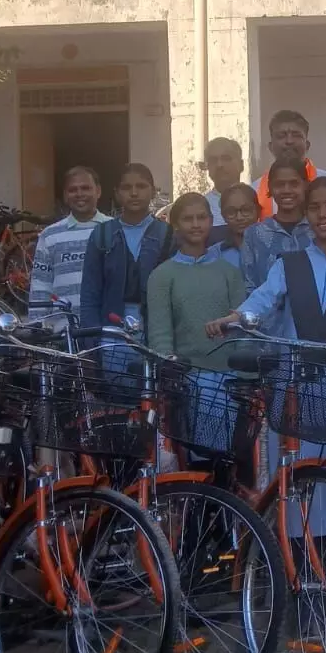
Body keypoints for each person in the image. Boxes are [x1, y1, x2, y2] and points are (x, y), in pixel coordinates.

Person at [205, 177, 326, 594]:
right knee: (297, 481)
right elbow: (261, 302)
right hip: (296, 391)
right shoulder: (288, 265)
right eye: (315, 207)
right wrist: (235, 318)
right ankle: (300, 578)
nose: (323, 214)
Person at [147, 192, 246, 452]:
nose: (195, 224)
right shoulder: (162, 276)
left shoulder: (229, 273)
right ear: (175, 224)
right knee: (195, 457)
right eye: (187, 218)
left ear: (211, 221)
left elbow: (241, 328)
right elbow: (160, 332)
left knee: (231, 457)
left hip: (229, 378)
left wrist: (246, 377)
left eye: (201, 217)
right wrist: (170, 374)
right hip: (188, 380)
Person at [79, 163, 174, 336]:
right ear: (117, 193)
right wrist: (91, 336)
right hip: (111, 333)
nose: (134, 193)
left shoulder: (167, 234)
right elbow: (90, 293)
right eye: (126, 187)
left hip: (157, 334)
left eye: (141, 186)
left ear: (153, 192)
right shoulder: (102, 234)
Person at [28, 166, 109, 328]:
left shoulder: (113, 230)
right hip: (64, 330)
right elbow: (41, 284)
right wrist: (36, 325)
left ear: (98, 191)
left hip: (105, 328)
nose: (79, 194)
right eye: (73, 190)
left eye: (86, 188)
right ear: (65, 196)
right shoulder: (50, 235)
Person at [246, 154, 316, 289]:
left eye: (294, 184)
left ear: (306, 185)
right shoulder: (254, 235)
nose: (287, 190)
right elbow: (249, 285)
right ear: (270, 187)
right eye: (280, 184)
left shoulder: (317, 230)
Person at [256, 110, 326, 214]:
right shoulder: (255, 189)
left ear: (307, 145)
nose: (289, 141)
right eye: (281, 136)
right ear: (270, 146)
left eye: (296, 135)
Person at [211, 182, 260, 277]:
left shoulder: (273, 247)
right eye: (231, 212)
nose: (239, 217)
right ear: (223, 216)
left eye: (246, 210)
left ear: (258, 211)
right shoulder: (214, 254)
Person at [203, 136, 247, 232]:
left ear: (241, 165)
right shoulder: (202, 207)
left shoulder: (258, 198)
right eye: (213, 160)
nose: (219, 165)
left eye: (226, 158)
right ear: (207, 167)